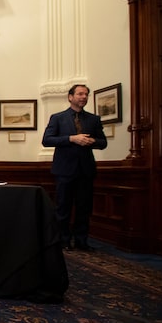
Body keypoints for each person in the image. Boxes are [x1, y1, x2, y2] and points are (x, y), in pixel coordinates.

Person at [42, 84, 107, 251]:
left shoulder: (94, 119)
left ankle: (81, 241)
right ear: (70, 97)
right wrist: (71, 139)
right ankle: (63, 240)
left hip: (86, 171)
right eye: (80, 94)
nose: (83, 97)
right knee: (63, 207)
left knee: (84, 208)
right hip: (64, 170)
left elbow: (103, 142)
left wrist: (92, 141)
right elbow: (47, 140)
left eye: (86, 94)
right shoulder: (58, 118)